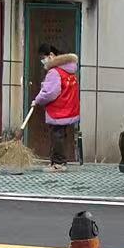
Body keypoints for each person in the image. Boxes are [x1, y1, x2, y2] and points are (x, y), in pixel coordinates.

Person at [33, 44, 81, 173]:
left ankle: (58, 164)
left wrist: (37, 100)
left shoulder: (54, 72)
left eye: (44, 57)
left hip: (58, 110)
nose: (43, 61)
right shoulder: (69, 71)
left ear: (52, 55)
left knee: (56, 137)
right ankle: (59, 161)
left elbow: (49, 93)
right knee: (61, 136)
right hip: (68, 109)